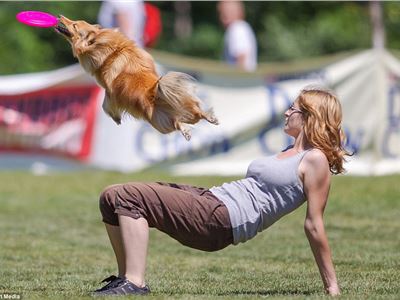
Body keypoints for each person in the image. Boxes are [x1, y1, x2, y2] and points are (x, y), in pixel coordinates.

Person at [93, 86, 349, 296]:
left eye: (292, 108)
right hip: (212, 198)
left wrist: (332, 286)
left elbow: (314, 225)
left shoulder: (315, 159)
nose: (286, 112)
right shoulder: (288, 152)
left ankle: (135, 283)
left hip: (221, 219)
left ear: (309, 115)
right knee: (111, 195)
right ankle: (125, 278)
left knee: (130, 196)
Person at [217, 1, 258, 72]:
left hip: (239, 79)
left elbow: (241, 57)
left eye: (228, 12)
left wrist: (237, 79)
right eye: (223, 13)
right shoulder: (242, 27)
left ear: (239, 12)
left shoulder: (237, 28)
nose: (224, 17)